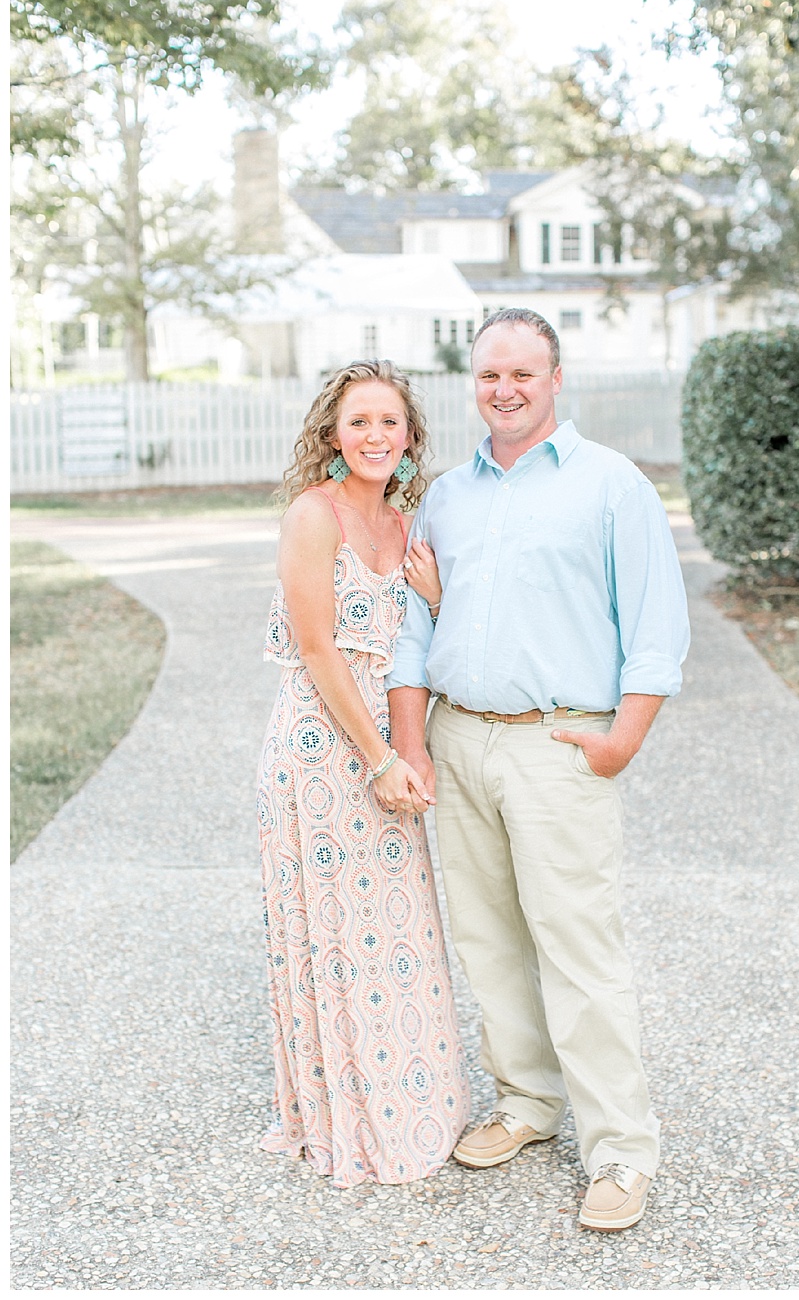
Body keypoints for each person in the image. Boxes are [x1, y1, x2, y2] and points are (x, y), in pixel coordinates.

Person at [387, 307, 689, 1233]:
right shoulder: (446, 496)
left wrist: (620, 742)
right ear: (472, 383)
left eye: (522, 374)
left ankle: (621, 1154)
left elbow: (656, 628)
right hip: (459, 736)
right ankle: (527, 1101)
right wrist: (409, 745)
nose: (505, 390)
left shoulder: (610, 485)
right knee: (486, 939)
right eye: (488, 376)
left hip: (561, 742)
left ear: (556, 380)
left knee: (578, 948)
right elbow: (414, 626)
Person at [256, 360, 470, 1187]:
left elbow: (421, 644)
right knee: (338, 940)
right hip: (322, 752)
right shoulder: (316, 517)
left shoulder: (408, 524)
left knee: (401, 933)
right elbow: (317, 650)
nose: (376, 437)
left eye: (390, 422)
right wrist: (375, 757)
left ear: (410, 436)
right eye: (359, 423)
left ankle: (414, 1109)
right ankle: (351, 1124)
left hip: (393, 750)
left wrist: (441, 600)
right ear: (332, 436)